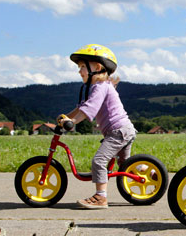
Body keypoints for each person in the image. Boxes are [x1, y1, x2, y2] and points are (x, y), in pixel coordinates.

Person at [58, 44, 137, 209]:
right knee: (125, 165)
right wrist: (67, 117)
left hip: (118, 131)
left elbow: (89, 109)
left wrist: (73, 122)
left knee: (99, 161)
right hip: (122, 130)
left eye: (82, 67)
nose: (79, 71)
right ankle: (151, 173)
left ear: (97, 67)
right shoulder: (96, 87)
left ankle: (101, 197)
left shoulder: (100, 87)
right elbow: (81, 107)